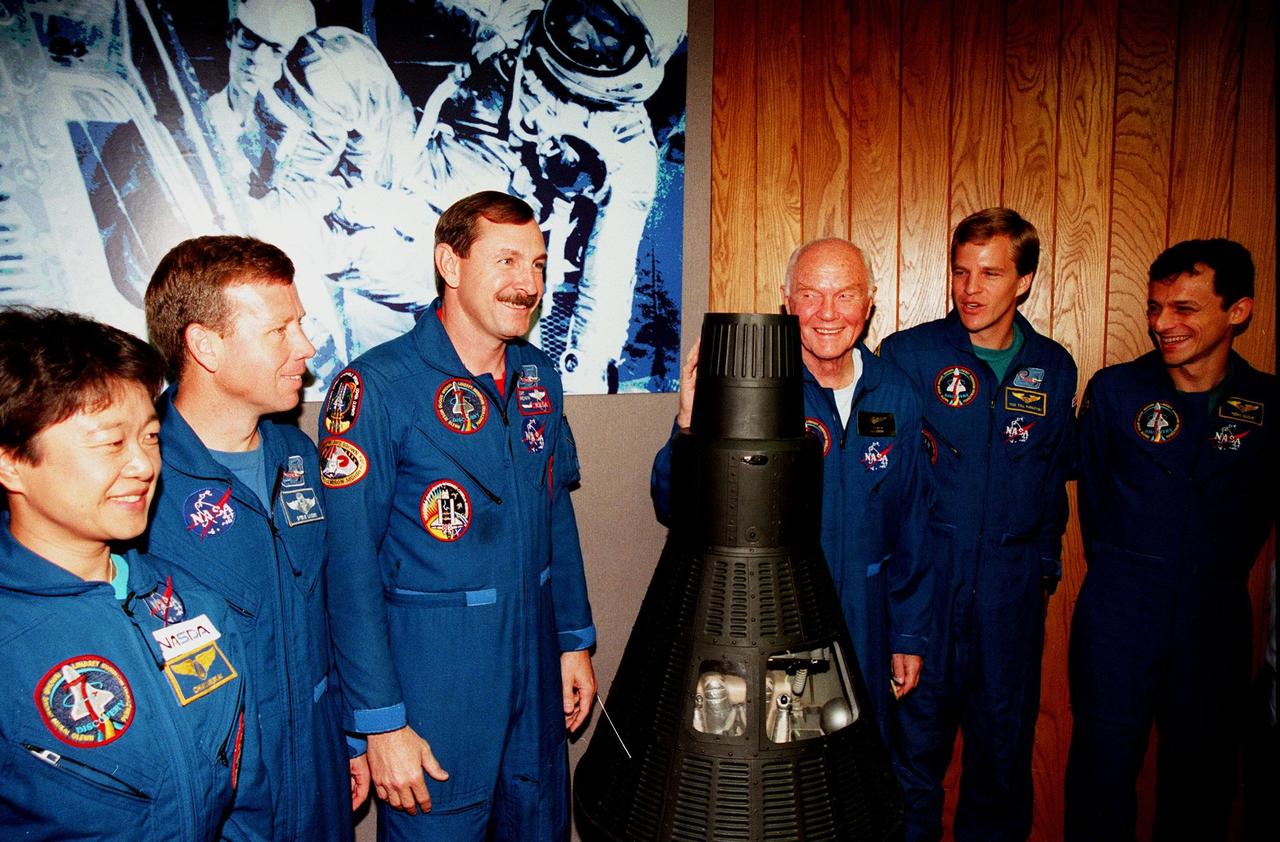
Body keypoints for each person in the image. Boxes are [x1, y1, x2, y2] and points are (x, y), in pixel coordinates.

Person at [320, 190, 597, 840]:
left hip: (533, 676)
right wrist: (381, 721)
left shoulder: (538, 379)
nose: (526, 284)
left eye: (536, 264)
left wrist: (573, 643)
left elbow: (556, 514)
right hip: (435, 689)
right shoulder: (377, 388)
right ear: (450, 262)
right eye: (505, 262)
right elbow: (348, 570)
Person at [652, 238, 934, 744]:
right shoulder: (753, 385)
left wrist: (907, 636)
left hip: (867, 622)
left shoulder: (896, 394)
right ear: (786, 299)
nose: (828, 313)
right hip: (776, 624)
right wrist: (690, 422)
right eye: (810, 295)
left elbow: (915, 525)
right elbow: (673, 503)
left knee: (864, 772)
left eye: (845, 295)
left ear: (869, 301)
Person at [0, 308, 266, 840]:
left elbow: (245, 798)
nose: (143, 466)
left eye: (149, 437)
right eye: (109, 443)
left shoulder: (192, 603)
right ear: (11, 462)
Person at [143, 236, 354, 841]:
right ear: (205, 345)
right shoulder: (137, 481)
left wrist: (349, 738)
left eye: (301, 326)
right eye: (279, 331)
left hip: (319, 772)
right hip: (217, 798)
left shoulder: (299, 459)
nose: (306, 349)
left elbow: (324, 614)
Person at [1065, 238, 1276, 841]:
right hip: (1119, 612)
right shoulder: (1116, 392)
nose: (1162, 323)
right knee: (1100, 775)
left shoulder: (1268, 405)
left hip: (1214, 619)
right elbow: (1096, 495)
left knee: (1202, 780)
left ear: (1238, 311)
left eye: (1184, 309)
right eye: (1156, 307)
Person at [879, 208, 1076, 841]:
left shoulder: (1053, 366)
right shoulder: (908, 355)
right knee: (912, 763)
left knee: (1001, 762)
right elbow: (883, 479)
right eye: (961, 271)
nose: (970, 289)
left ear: (1024, 281)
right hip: (926, 592)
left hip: (1009, 597)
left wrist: (1041, 568)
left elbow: (1053, 481)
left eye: (990, 274)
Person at [208, 0, 433, 382]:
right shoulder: (203, 128)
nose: (256, 58)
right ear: (232, 35)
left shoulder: (321, 127)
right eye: (249, 40)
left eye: (276, 48)